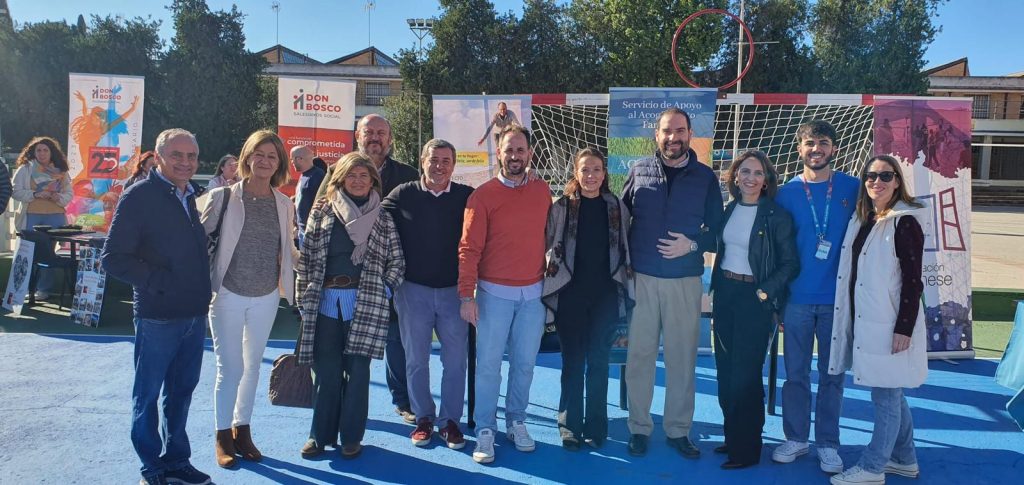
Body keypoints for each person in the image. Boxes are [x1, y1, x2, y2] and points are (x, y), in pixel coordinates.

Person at [101, 128, 213, 485]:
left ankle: (177, 461)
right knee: (147, 396)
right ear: (158, 156)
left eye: (191, 156)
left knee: (180, 394)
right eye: (177, 155)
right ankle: (151, 468)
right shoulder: (139, 196)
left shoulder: (189, 195)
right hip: (158, 316)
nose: (185, 162)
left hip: (193, 314)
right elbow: (113, 258)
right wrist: (161, 283)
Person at [621, 107, 723, 459]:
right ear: (657, 134)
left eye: (680, 131)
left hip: (684, 282)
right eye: (667, 131)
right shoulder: (639, 171)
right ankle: (639, 427)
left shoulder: (705, 178)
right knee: (640, 357)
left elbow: (718, 232)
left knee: (682, 359)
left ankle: (678, 430)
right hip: (643, 280)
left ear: (690, 134)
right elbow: (619, 223)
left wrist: (691, 245)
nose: (673, 137)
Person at [296, 152, 404, 459]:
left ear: (373, 181)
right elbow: (307, 258)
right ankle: (319, 436)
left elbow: (397, 262)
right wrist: (304, 298)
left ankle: (351, 437)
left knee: (358, 373)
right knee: (326, 372)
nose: (357, 181)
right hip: (325, 303)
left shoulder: (382, 217)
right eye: (351, 176)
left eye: (363, 176)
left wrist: (384, 289)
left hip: (365, 303)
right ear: (341, 179)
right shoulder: (323, 210)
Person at [202, 130, 298, 469]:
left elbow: (289, 250)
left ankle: (241, 429)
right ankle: (222, 435)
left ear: (279, 163)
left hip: (266, 296)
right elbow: (199, 240)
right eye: (259, 154)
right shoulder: (223, 197)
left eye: (272, 156)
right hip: (227, 294)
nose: (265, 161)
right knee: (230, 368)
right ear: (247, 157)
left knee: (252, 366)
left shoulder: (285, 204)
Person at [828, 155, 926, 485]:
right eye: (871, 176)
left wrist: (904, 328)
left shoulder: (904, 222)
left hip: (889, 324)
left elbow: (913, 281)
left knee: (885, 396)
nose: (877, 182)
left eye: (886, 176)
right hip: (867, 320)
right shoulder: (865, 219)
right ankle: (904, 458)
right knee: (892, 391)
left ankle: (873, 467)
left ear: (897, 181)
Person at [317, 113, 419, 423]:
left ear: (390, 139)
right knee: (344, 352)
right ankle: (339, 408)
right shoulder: (337, 170)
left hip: (390, 273)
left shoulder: (407, 174)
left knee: (396, 340)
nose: (375, 138)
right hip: (344, 280)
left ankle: (403, 399)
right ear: (357, 137)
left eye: (381, 133)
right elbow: (318, 212)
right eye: (369, 132)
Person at [459, 125, 551, 464]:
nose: (515, 156)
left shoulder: (542, 190)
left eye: (520, 150)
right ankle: (486, 428)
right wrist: (466, 296)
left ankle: (516, 421)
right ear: (498, 153)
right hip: (493, 294)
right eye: (509, 150)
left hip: (533, 295)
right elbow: (468, 248)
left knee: (525, 364)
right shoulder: (482, 196)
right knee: (488, 366)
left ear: (530, 154)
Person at [772, 120, 860, 473]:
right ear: (800, 149)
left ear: (834, 148)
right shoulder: (786, 193)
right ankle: (796, 438)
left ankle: (827, 443)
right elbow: (777, 250)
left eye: (823, 142)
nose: (816, 149)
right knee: (795, 374)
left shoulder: (854, 188)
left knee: (832, 375)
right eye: (810, 143)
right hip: (796, 300)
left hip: (837, 301)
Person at [710, 150, 799, 469]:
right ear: (735, 176)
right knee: (725, 371)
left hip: (754, 298)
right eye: (745, 171)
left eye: (758, 173)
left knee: (745, 376)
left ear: (766, 180)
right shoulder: (730, 208)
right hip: (726, 294)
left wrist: (764, 291)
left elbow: (790, 263)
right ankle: (733, 436)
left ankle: (747, 450)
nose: (750, 178)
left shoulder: (776, 216)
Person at [383, 139, 474, 450]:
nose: (439, 166)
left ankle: (450, 422)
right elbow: (371, 216)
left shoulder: (466, 196)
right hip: (412, 291)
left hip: (454, 293)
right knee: (416, 360)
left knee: (456, 361)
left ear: (454, 165)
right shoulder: (403, 194)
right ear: (422, 161)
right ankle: (423, 418)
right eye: (434, 159)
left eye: (446, 161)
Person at [541, 147, 631, 451]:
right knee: (573, 362)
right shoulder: (561, 207)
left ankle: (596, 426)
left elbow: (625, 249)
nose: (590, 175)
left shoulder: (616, 207)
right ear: (575, 174)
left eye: (596, 169)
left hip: (605, 298)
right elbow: (546, 244)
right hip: (570, 297)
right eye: (585, 170)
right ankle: (569, 426)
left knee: (599, 363)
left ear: (604, 174)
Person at [11, 136, 74, 300]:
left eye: (45, 150)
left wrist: (58, 197)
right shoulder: (25, 169)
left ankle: (44, 290)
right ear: (33, 152)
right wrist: (35, 194)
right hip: (31, 215)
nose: (42, 153)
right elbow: (15, 191)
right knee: (27, 252)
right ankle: (22, 289)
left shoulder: (61, 171)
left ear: (52, 152)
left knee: (48, 254)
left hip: (55, 217)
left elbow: (69, 194)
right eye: (38, 150)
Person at [291, 145, 325, 245]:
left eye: (292, 159)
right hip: (302, 230)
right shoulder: (304, 175)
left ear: (299, 159)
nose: (292, 163)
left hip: (312, 232)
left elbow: (323, 203)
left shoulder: (318, 176)